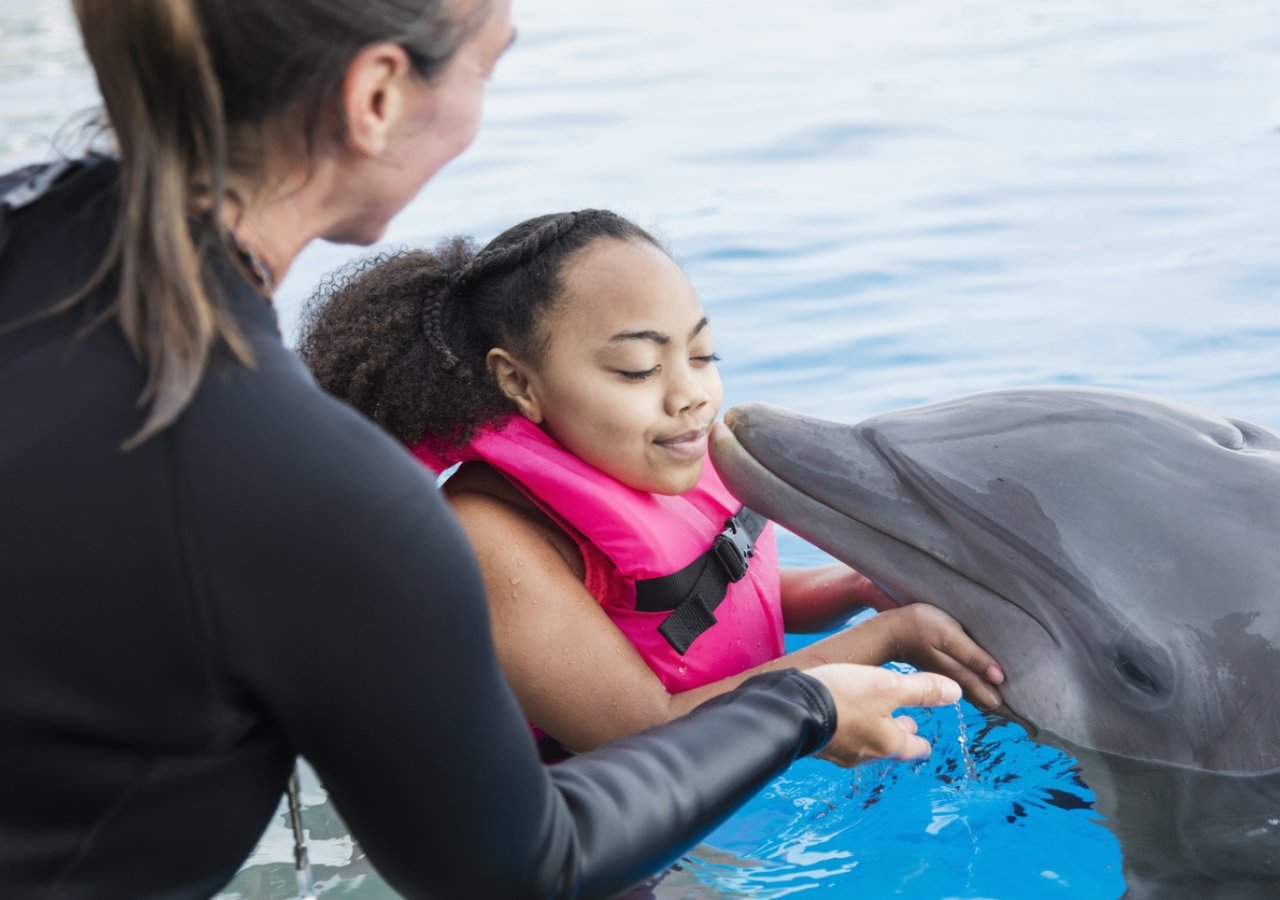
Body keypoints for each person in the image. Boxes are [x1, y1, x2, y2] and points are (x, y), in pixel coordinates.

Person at [0, 1, 965, 899]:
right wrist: (801, 704)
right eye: (487, 69)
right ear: (377, 98)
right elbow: (519, 869)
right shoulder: (326, 496)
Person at [299, 209, 1005, 759]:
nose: (691, 395)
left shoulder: (641, 457)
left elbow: (713, 601)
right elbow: (642, 736)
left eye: (703, 353)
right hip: (588, 844)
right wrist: (883, 639)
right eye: (639, 369)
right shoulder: (492, 540)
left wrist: (849, 589)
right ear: (518, 382)